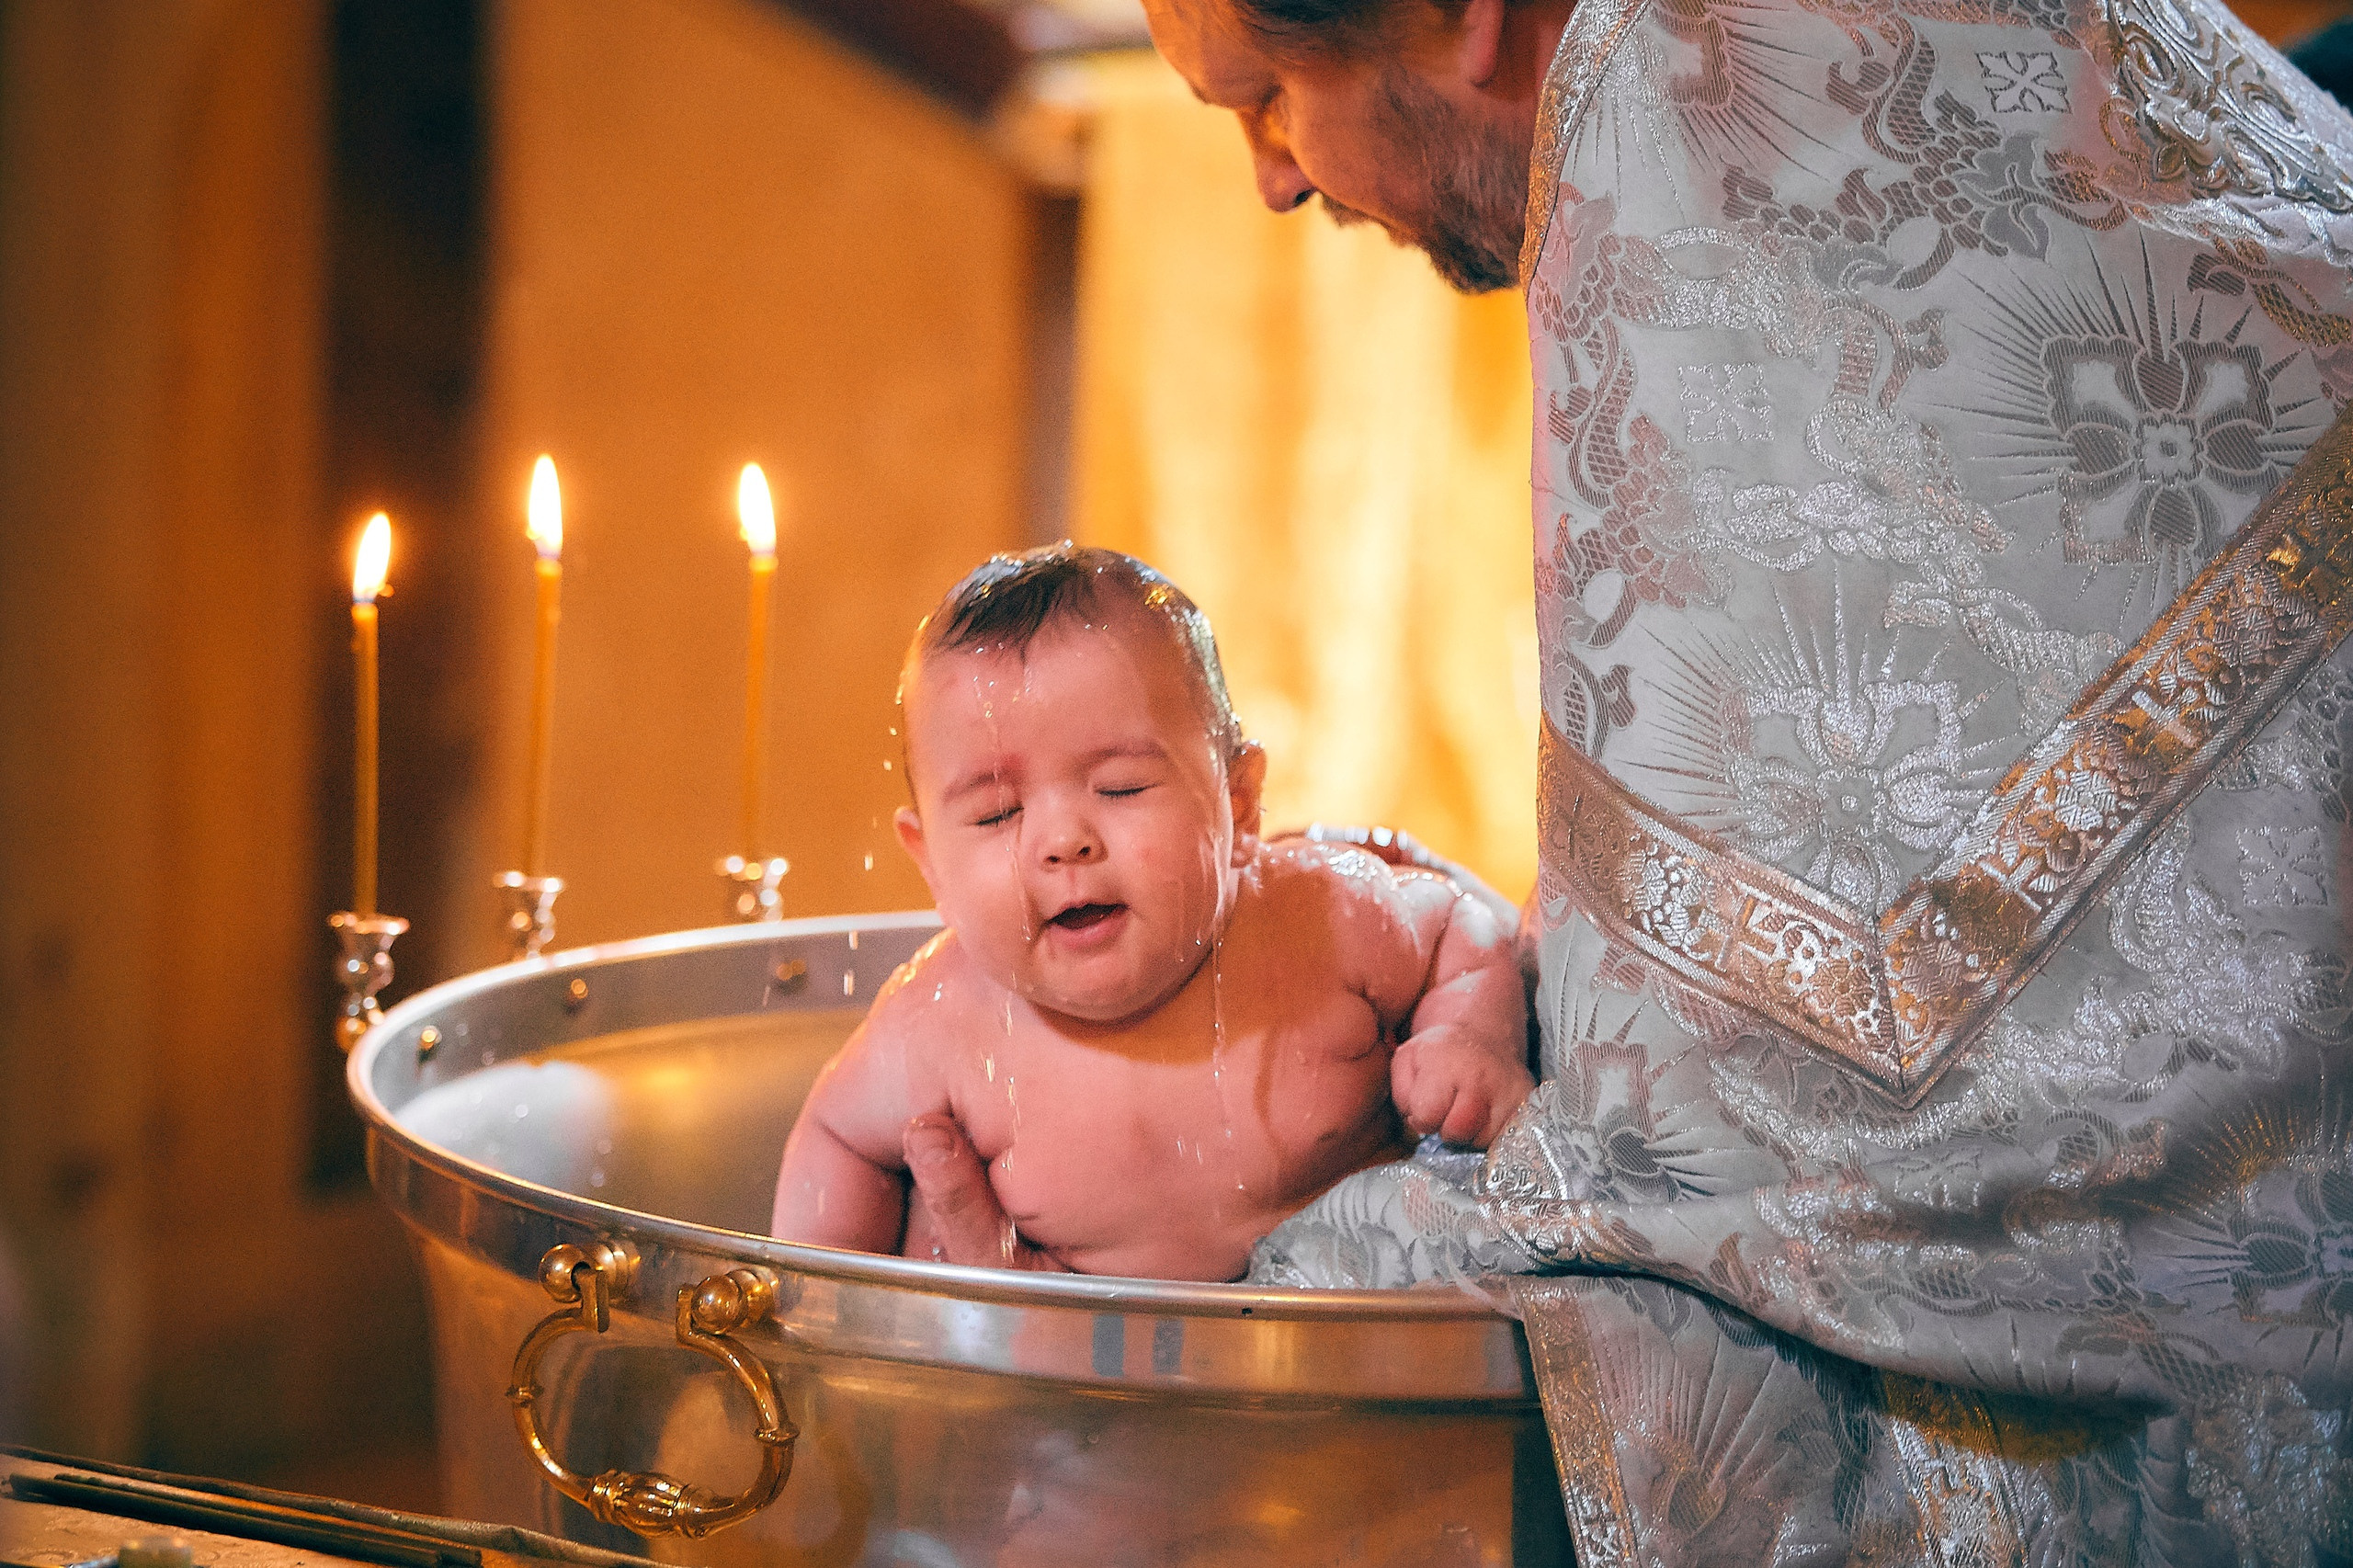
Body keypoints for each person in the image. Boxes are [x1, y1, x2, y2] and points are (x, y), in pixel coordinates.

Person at [904, 0, 2353, 1560]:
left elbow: (1802, 1096)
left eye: (1269, 96)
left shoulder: (1687, 108)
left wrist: (1211, 1258)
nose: (1266, 174)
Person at [770, 544, 1532, 1280]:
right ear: (930, 862)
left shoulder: (1322, 920)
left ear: (1238, 803)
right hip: (1092, 1370)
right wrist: (827, 1309)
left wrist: (1467, 1033)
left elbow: (1464, 925)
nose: (1063, 842)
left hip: (1337, 1354)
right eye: (998, 813)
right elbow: (837, 1137)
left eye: (1121, 788)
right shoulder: (939, 1022)